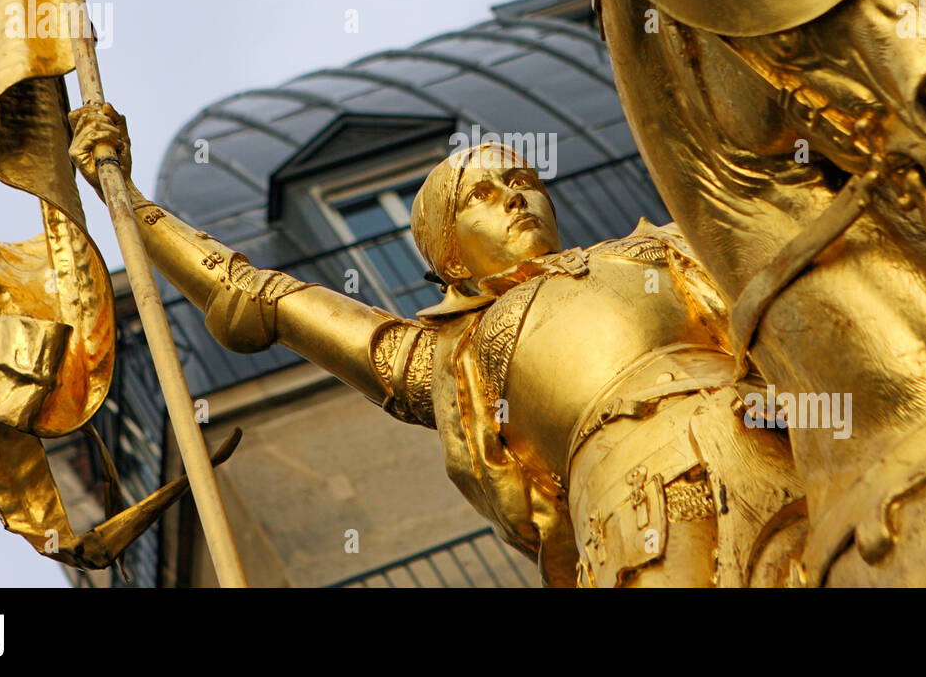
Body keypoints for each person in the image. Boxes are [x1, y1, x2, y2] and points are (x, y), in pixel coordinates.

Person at [70, 103, 805, 587]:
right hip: (637, 497)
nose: (516, 195)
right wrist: (126, 200)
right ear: (447, 255)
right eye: (483, 195)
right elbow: (260, 296)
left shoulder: (656, 252)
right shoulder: (455, 354)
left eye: (521, 179)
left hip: (775, 436)